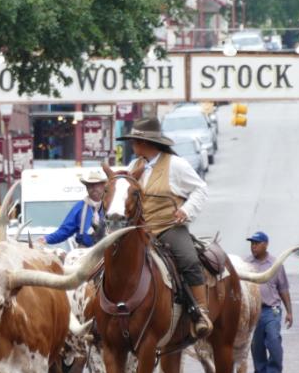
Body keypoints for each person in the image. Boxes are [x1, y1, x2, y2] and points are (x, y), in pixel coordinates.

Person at [118, 117, 212, 338]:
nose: (132, 145)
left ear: (147, 143)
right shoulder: (133, 166)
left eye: (135, 141)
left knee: (188, 260)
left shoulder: (176, 165)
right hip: (138, 229)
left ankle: (200, 312)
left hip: (167, 227)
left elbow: (200, 189)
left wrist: (185, 211)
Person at [244, 231, 293, 373]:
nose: (253, 246)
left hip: (271, 310)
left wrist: (289, 312)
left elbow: (284, 289)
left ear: (266, 244)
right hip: (252, 311)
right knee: (256, 346)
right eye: (252, 244)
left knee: (273, 341)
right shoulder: (245, 264)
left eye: (256, 243)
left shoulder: (275, 264)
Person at [44, 170, 107, 248]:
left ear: (103, 186)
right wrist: (46, 239)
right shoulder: (80, 207)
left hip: (108, 250)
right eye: (90, 185)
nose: (93, 188)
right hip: (85, 251)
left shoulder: (110, 207)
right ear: (86, 188)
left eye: (96, 185)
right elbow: (65, 230)